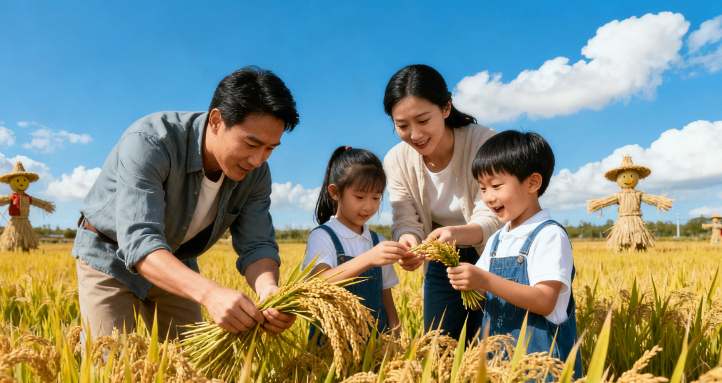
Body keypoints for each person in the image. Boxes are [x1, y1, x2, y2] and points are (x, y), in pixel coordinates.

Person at [74, 66, 299, 342]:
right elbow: (139, 241)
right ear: (216, 121)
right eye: (251, 144)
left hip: (175, 259)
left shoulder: (256, 174)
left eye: (269, 149)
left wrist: (269, 290)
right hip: (109, 255)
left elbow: (257, 244)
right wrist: (210, 294)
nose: (257, 160)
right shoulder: (150, 142)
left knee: (189, 368)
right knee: (108, 364)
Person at [446, 131, 583, 380]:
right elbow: (483, 292)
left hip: (543, 370)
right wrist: (462, 275)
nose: (488, 197)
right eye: (482, 188)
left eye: (496, 186)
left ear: (532, 183)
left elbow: (544, 301)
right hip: (500, 365)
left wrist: (483, 280)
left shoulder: (549, 235)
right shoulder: (499, 238)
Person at [383, 64, 501, 342]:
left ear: (446, 108)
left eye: (423, 121)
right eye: (402, 126)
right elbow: (404, 217)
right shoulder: (396, 160)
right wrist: (409, 242)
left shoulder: (483, 142)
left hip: (491, 254)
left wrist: (455, 234)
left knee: (489, 343)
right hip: (439, 259)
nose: (415, 135)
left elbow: (494, 213)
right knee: (439, 343)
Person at [303, 147, 404, 336]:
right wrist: (369, 259)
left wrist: (396, 332)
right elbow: (318, 282)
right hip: (332, 346)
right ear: (335, 192)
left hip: (376, 344)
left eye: (376, 197)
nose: (369, 206)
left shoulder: (377, 242)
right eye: (359, 197)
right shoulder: (323, 236)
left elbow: (386, 297)